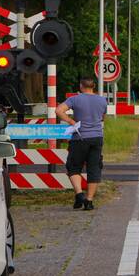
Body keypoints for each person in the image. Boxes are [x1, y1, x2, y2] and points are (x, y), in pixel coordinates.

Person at [55, 77, 108, 211]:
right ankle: (89, 201)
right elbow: (103, 117)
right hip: (97, 137)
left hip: (80, 137)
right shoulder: (102, 100)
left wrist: (71, 121)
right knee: (94, 168)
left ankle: (79, 194)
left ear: (81, 86)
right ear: (94, 86)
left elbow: (58, 110)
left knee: (73, 167)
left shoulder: (75, 99)